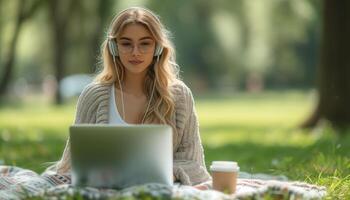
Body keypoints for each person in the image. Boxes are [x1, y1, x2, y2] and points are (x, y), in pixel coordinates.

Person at [45, 6, 211, 189]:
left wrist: (166, 175)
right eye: (126, 43)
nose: (135, 52)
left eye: (145, 43)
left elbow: (194, 165)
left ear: (157, 47)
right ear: (114, 47)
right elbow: (71, 164)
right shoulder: (93, 95)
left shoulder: (180, 96)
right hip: (103, 191)